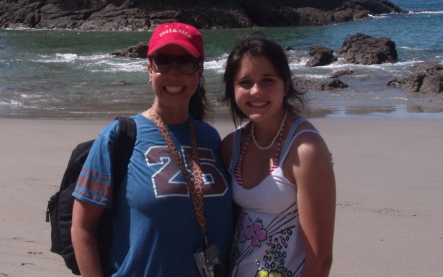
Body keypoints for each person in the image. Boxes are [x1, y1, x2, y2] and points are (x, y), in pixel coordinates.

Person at [71, 22, 233, 276]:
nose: (174, 73)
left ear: (199, 72)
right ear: (149, 70)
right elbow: (82, 227)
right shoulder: (119, 137)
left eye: (186, 63)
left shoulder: (210, 137)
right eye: (163, 61)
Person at [220, 37, 336, 277]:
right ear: (233, 88)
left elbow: (320, 259)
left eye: (267, 81)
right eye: (245, 82)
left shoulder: (305, 150)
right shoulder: (232, 146)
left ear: (286, 85)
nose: (256, 91)